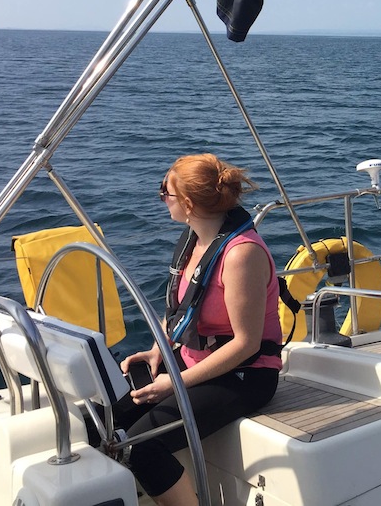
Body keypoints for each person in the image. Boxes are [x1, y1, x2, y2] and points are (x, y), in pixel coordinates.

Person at [117, 153, 282, 506]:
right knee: (103, 423)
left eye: (166, 192)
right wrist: (158, 350)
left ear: (188, 203)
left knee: (142, 446)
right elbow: (182, 308)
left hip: (244, 375)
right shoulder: (195, 240)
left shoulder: (241, 255)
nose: (162, 198)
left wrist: (174, 384)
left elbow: (246, 344)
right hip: (194, 359)